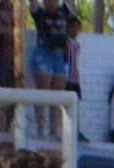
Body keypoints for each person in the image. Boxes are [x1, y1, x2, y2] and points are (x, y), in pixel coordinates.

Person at [30, 0, 71, 137]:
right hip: (43, 53)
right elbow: (33, 3)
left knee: (58, 95)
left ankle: (54, 131)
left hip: (60, 56)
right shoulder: (40, 13)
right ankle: (40, 130)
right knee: (43, 92)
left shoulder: (64, 11)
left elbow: (73, 6)